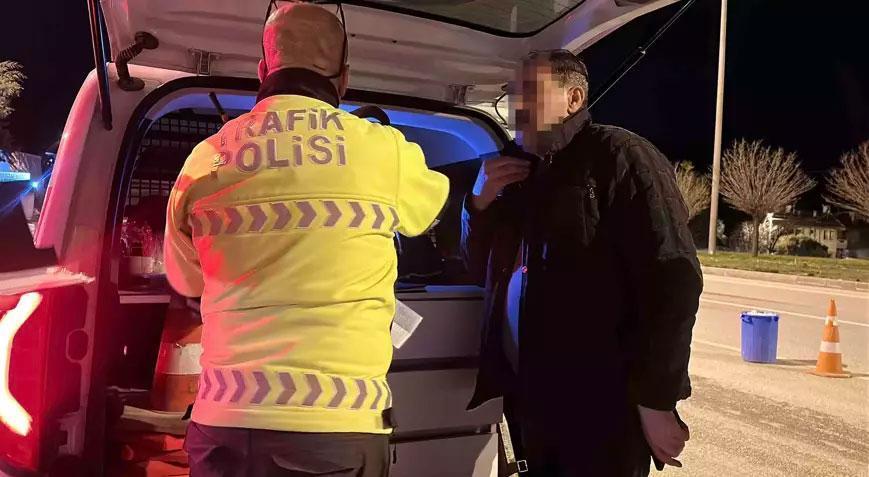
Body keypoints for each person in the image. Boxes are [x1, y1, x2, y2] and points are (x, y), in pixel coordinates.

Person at [163, 4, 449, 476]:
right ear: (344, 79)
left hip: (223, 424)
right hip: (335, 427)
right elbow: (430, 210)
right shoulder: (382, 150)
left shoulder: (204, 159)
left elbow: (186, 280)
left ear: (263, 71)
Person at [461, 50, 701, 477]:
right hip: (531, 398)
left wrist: (656, 400)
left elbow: (673, 278)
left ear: (574, 99)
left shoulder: (621, 156)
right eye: (512, 94)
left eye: (529, 93)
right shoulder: (517, 172)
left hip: (601, 406)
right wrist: (478, 202)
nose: (516, 107)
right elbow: (477, 265)